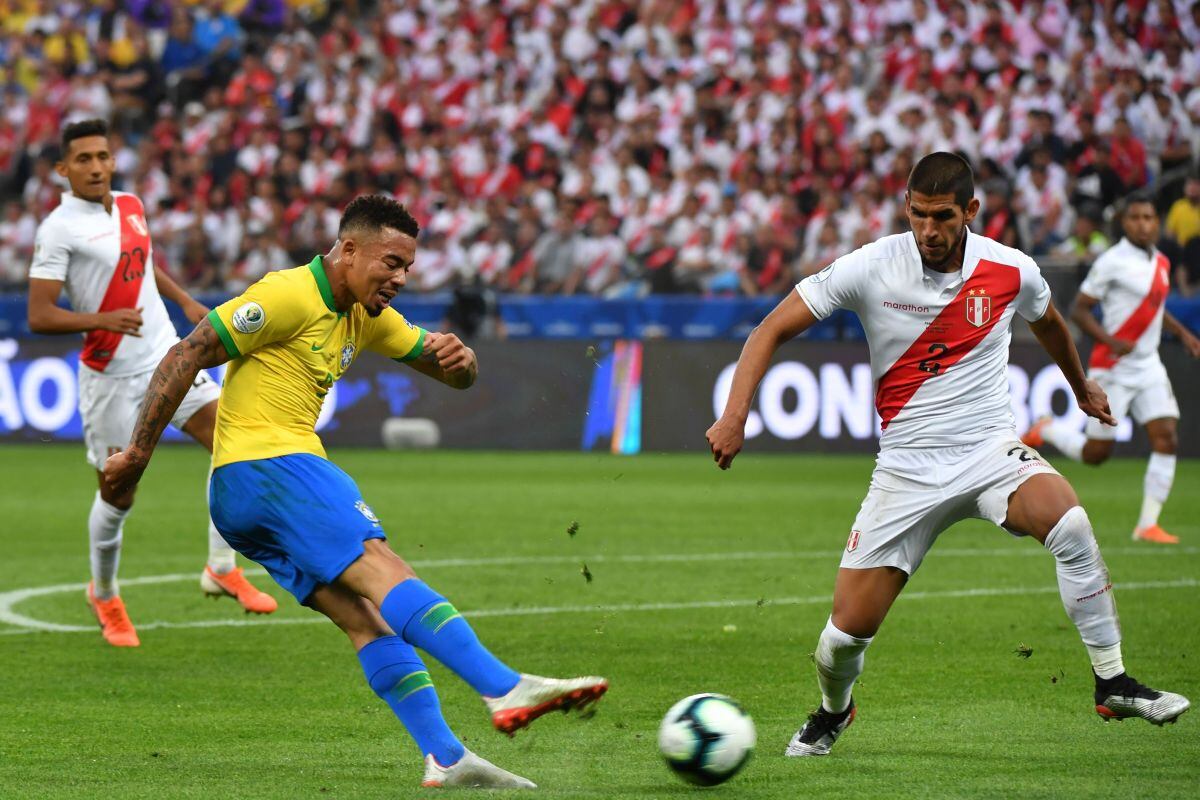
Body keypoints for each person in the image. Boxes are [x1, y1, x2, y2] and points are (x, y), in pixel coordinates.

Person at [103, 194, 607, 788]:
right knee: (380, 563)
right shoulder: (287, 294)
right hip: (273, 467)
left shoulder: (365, 314)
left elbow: (450, 373)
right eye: (390, 262)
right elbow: (187, 352)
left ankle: (445, 756)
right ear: (347, 250)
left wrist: (463, 359)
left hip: (240, 499)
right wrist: (138, 453)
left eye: (408, 268)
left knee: (368, 620)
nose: (399, 278)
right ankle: (503, 687)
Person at [705, 153, 1189, 758]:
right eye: (917, 215)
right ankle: (834, 711)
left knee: (1071, 523)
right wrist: (733, 413)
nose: (927, 231)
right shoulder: (872, 265)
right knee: (842, 638)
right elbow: (769, 328)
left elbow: (1051, 323)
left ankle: (1112, 680)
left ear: (970, 212)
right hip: (906, 469)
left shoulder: (1011, 270)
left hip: (989, 450)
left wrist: (1079, 382)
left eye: (940, 217)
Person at [26, 118, 275, 648]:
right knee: (119, 493)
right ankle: (105, 591)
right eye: (84, 159)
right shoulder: (57, 229)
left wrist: (184, 300)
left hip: (167, 357)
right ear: (61, 170)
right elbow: (40, 314)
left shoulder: (132, 205)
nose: (96, 166)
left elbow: (142, 263)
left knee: (234, 441)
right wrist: (101, 320)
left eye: (103, 156)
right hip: (111, 376)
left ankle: (220, 567)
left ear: (113, 161)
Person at [1023, 198, 1200, 544]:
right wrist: (1111, 340)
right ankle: (1047, 429)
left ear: (1156, 222)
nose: (1143, 224)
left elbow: (1155, 308)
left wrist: (1182, 334)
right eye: (1135, 218)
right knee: (1096, 454)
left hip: (1148, 363)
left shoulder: (1161, 262)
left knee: (1166, 437)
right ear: (1124, 223)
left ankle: (1147, 524)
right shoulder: (1111, 261)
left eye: (1149, 217)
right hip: (1113, 366)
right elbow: (1079, 310)